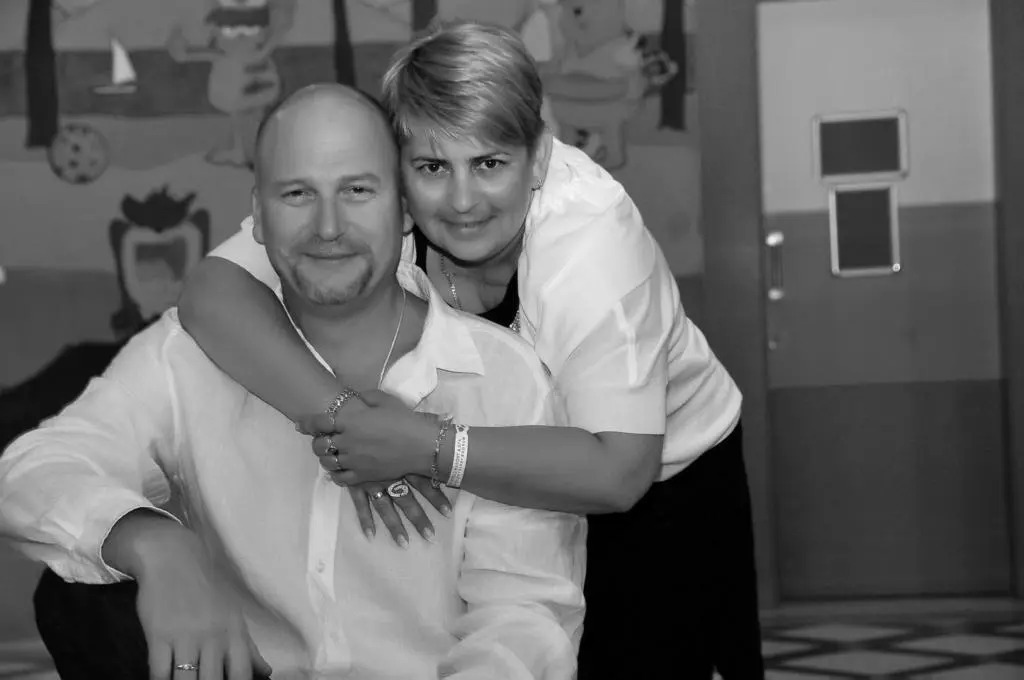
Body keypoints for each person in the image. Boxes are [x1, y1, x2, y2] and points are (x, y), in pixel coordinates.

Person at [179, 22, 764, 680]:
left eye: (489, 163)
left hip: (661, 490)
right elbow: (211, 293)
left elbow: (619, 472)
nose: (461, 202)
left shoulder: (590, 244)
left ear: (537, 159)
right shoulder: (377, 206)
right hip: (492, 482)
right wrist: (346, 417)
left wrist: (421, 444)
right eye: (432, 167)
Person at [0, 83, 586, 680]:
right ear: (257, 215)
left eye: (357, 191)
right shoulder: (189, 353)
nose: (328, 227)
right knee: (81, 593)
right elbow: (33, 468)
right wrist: (158, 545)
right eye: (298, 194)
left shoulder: (503, 378)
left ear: (406, 209)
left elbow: (522, 622)